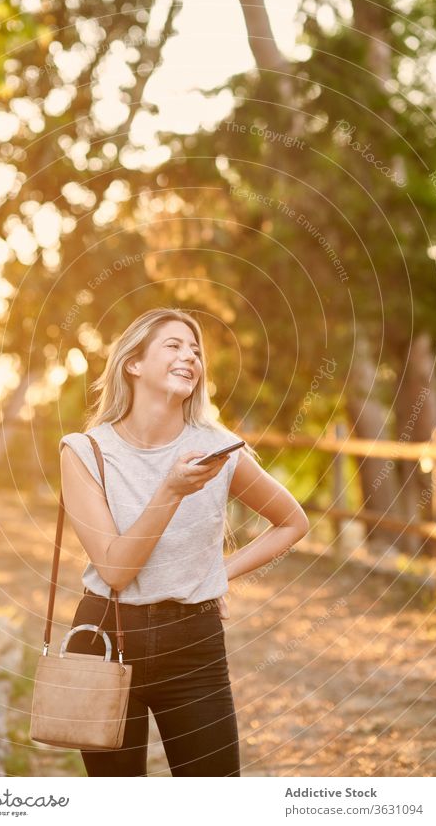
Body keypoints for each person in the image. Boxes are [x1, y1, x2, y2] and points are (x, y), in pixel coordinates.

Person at [59, 307, 309, 776]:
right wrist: (171, 489)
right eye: (173, 345)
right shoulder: (85, 451)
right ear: (132, 364)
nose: (189, 356)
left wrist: (219, 574)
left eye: (195, 350)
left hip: (194, 644)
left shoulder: (219, 450)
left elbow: (292, 522)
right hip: (106, 637)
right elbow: (115, 570)